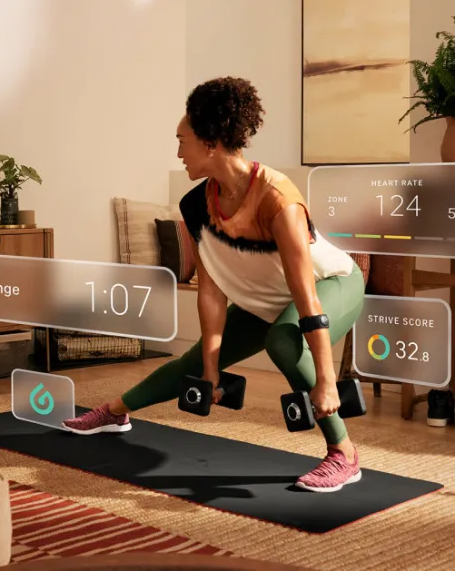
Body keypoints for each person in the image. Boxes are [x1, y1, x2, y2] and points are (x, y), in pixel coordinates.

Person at [63, 77, 367, 493]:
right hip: (270, 301)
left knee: (282, 339)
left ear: (210, 143)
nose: (177, 152)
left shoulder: (278, 199)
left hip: (332, 284)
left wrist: (328, 382)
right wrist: (210, 371)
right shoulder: (195, 204)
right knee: (193, 364)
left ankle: (344, 454)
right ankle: (114, 412)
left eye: (181, 140)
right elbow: (211, 289)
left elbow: (306, 295)